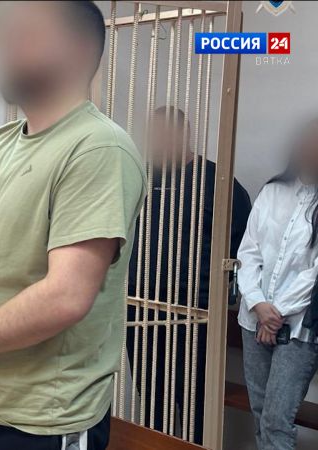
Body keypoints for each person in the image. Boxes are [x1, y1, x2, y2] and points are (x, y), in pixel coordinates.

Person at [0, 2, 146, 449]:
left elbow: (66, 295)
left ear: (78, 51)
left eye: (28, 36)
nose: (8, 49)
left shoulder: (98, 147)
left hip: (41, 420)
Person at [125, 106, 252, 443]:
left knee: (194, 402)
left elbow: (243, 245)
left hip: (194, 310)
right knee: (151, 400)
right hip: (139, 304)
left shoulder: (217, 182)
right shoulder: (140, 175)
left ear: (183, 135)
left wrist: (213, 293)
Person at [238, 118, 318, 450]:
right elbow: (248, 252)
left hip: (298, 328)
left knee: (277, 420)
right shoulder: (272, 192)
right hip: (252, 318)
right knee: (260, 413)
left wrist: (276, 314)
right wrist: (258, 304)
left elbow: (314, 273)